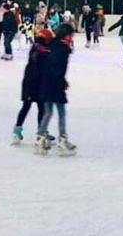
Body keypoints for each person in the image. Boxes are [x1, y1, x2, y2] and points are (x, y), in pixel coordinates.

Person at [34, 23, 77, 156]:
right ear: (66, 35)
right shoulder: (62, 49)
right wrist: (60, 81)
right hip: (55, 84)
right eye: (71, 35)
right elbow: (57, 67)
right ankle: (62, 141)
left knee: (48, 112)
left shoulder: (52, 45)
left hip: (47, 83)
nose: (72, 38)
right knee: (61, 112)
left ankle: (40, 138)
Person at [12, 29, 54, 145]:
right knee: (39, 107)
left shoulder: (37, 48)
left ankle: (20, 131)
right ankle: (39, 133)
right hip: (36, 83)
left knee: (28, 107)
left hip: (30, 83)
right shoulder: (42, 51)